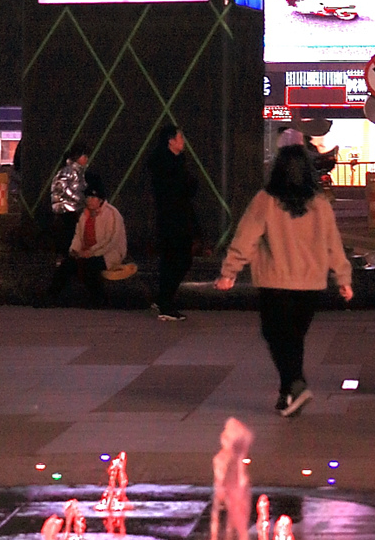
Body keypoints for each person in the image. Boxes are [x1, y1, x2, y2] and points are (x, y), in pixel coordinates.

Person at [216, 141, 353, 416]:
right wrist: (343, 279)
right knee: (294, 338)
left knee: (276, 336)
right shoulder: (320, 204)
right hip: (310, 284)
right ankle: (288, 393)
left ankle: (296, 386)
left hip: (274, 283)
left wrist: (230, 272)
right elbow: (333, 244)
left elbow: (246, 239)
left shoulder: (265, 200)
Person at [46, 176, 128, 306]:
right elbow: (78, 235)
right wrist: (74, 250)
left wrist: (92, 252)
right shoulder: (84, 215)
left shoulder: (112, 214)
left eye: (93, 197)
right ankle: (50, 297)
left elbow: (110, 240)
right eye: (88, 197)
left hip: (109, 253)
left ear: (100, 200)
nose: (89, 201)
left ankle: (99, 298)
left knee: (90, 266)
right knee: (67, 265)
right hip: (86, 252)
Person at [147, 123, 198, 321]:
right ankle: (166, 303)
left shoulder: (171, 163)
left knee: (174, 260)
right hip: (173, 220)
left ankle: (163, 299)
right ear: (171, 141)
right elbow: (185, 187)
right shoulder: (169, 165)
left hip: (174, 219)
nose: (183, 142)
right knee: (177, 259)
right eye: (180, 138)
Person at [49, 144, 91, 256]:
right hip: (66, 209)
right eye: (84, 156)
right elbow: (61, 187)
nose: (86, 159)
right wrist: (79, 198)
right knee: (68, 235)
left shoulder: (79, 172)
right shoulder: (68, 171)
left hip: (74, 209)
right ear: (77, 157)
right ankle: (64, 257)